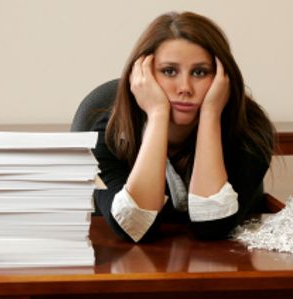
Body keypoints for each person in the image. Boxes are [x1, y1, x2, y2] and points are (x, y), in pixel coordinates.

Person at [91, 11, 276, 242]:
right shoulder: (107, 133)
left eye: (200, 72)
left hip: (221, 267)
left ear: (222, 76)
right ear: (142, 76)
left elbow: (213, 227)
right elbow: (135, 227)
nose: (185, 88)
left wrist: (210, 114)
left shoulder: (251, 130)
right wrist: (158, 114)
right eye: (169, 71)